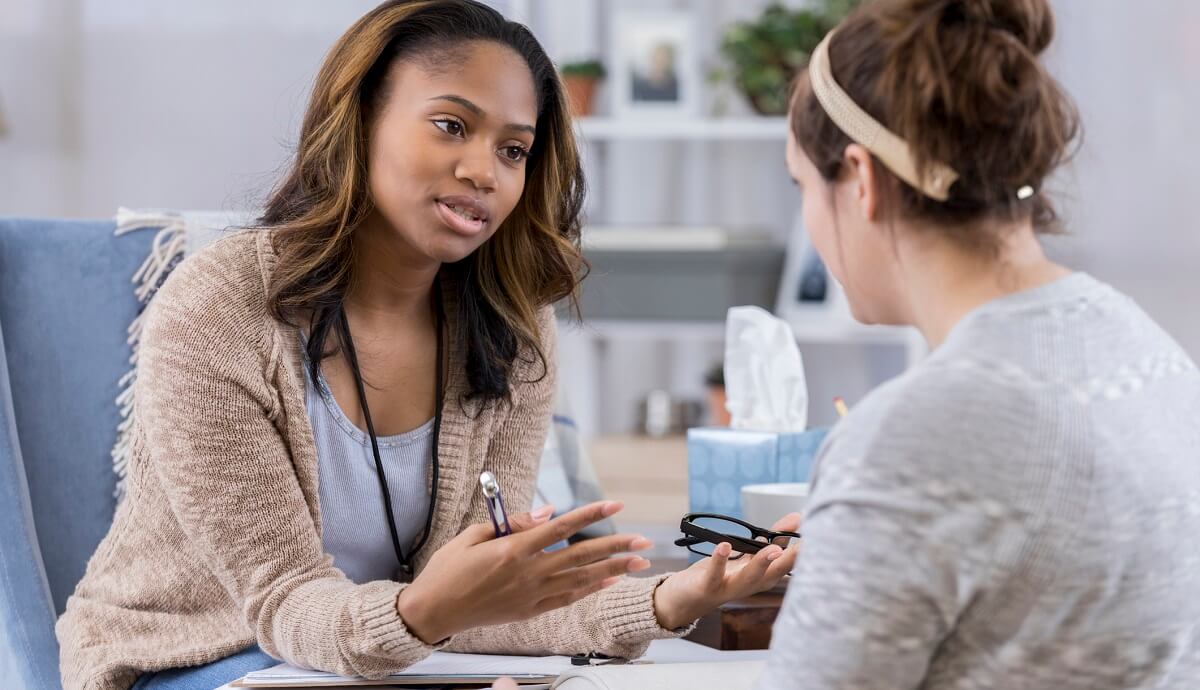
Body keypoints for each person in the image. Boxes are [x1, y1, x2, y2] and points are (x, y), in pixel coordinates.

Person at [55, 2, 798, 689]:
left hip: (388, 659)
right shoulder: (221, 308)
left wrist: (670, 599)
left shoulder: (512, 329)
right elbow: (285, 603)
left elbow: (481, 598)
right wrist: (425, 615)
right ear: (361, 119)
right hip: (193, 659)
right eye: (451, 125)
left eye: (514, 150)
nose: (484, 172)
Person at [753, 0, 1200, 687]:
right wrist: (862, 558)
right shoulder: (1152, 354)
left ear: (861, 180)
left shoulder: (912, 434)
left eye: (803, 186)